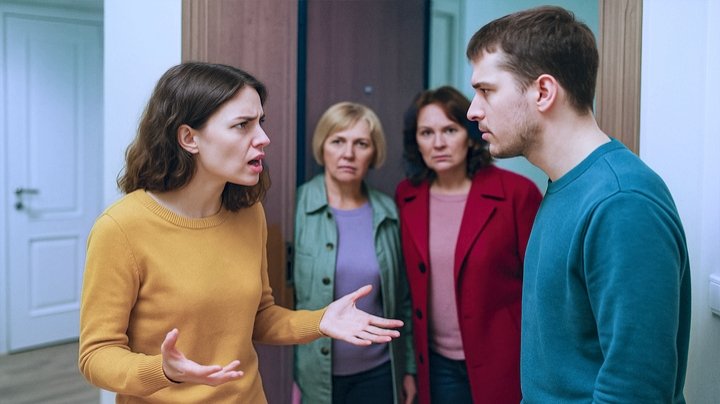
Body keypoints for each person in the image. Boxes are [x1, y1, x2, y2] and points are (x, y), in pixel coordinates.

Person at [78, 62, 404, 404]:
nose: (263, 138)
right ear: (189, 138)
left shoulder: (249, 213)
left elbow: (260, 317)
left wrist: (320, 321)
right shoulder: (121, 228)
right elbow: (96, 354)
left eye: (260, 122)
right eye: (242, 125)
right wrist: (162, 370)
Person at [465, 6, 691, 403]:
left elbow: (635, 391)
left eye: (486, 90)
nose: (473, 110)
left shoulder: (621, 201)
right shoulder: (566, 185)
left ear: (543, 92)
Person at [395, 85, 542, 404]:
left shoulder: (517, 194)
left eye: (450, 130)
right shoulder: (406, 196)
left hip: (504, 359)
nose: (438, 143)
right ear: (415, 141)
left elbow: (541, 290)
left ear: (471, 135)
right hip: (436, 364)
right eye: (426, 133)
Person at [293, 102, 416, 404]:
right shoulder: (295, 206)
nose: (348, 154)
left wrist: (408, 369)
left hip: (379, 372)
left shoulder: (388, 212)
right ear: (322, 147)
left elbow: (402, 300)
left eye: (361, 144)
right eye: (337, 141)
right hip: (314, 376)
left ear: (373, 153)